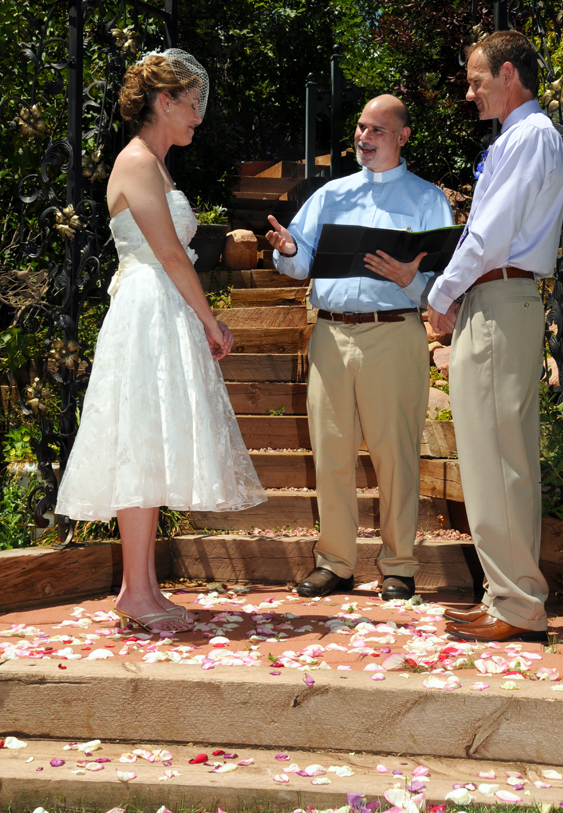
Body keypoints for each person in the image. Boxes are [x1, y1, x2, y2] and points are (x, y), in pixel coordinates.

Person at [55, 49, 266, 632]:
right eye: (192, 103)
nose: (199, 115)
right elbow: (171, 254)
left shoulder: (157, 164)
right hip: (148, 308)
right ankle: (135, 590)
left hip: (162, 308)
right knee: (139, 443)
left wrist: (196, 319)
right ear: (164, 102)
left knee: (150, 445)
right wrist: (211, 321)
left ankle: (141, 588)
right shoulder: (137, 161)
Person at [266, 95, 453, 600]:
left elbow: (444, 282)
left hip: (394, 333)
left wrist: (413, 281)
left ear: (403, 137)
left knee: (395, 455)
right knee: (330, 453)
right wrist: (289, 249)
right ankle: (335, 563)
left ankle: (399, 566)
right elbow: (300, 260)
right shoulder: (331, 194)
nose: (363, 137)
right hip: (330, 335)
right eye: (360, 127)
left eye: (376, 130)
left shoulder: (428, 199)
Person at [427, 30, 563, 642]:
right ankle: (507, 594)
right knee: (497, 455)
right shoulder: (522, 136)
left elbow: (489, 234)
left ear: (509, 74)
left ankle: (517, 603)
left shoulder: (530, 135)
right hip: (498, 297)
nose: (469, 92)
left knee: (497, 456)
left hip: (499, 296)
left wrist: (441, 293)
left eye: (476, 79)